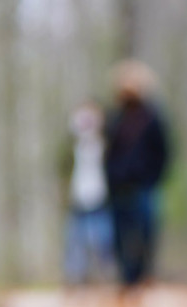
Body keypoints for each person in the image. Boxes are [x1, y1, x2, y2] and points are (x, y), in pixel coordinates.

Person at [103, 60, 171, 291]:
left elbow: (163, 151)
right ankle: (127, 278)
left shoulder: (153, 117)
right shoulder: (115, 118)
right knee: (120, 236)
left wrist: (153, 178)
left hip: (144, 186)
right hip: (118, 187)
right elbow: (108, 151)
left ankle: (143, 276)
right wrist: (110, 177)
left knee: (146, 233)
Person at [63, 103, 112, 285]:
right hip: (77, 201)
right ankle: (76, 279)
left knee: (102, 242)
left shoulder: (106, 144)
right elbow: (63, 169)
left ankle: (104, 277)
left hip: (101, 199)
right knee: (75, 243)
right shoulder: (71, 146)